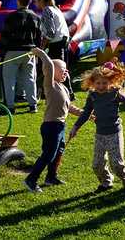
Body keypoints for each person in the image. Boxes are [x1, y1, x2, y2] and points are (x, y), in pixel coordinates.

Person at [69, 59, 125, 194]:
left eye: (104, 83)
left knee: (116, 163)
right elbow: (86, 113)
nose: (101, 86)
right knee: (97, 164)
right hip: (100, 134)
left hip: (114, 133)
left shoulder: (115, 92)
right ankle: (106, 182)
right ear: (93, 82)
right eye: (98, 83)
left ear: (110, 82)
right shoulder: (92, 95)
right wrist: (75, 127)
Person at [23, 48, 83, 193]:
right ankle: (31, 179)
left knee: (59, 151)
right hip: (51, 126)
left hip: (60, 125)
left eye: (67, 70)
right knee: (49, 153)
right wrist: (41, 53)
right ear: (52, 71)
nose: (66, 72)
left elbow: (69, 107)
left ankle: (51, 177)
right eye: (63, 69)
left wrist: (85, 114)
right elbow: (49, 66)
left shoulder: (64, 88)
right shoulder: (50, 85)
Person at [0, 0, 41, 114]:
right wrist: (37, 51)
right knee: (30, 78)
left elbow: (5, 36)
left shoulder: (11, 17)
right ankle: (33, 105)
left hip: (12, 51)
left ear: (18, 0)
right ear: (30, 1)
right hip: (29, 51)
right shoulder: (36, 17)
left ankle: (10, 106)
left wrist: (1, 53)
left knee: (9, 79)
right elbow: (39, 37)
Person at [35, 0, 74, 99]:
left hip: (56, 43)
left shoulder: (47, 10)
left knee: (54, 68)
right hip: (63, 41)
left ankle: (66, 92)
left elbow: (50, 32)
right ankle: (62, 92)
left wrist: (42, 46)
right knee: (61, 67)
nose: (35, 3)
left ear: (41, 1)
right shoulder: (56, 9)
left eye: (36, 1)